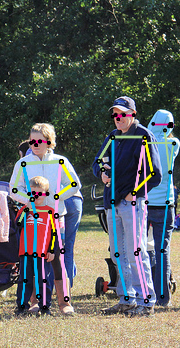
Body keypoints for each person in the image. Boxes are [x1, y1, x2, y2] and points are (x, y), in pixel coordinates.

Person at [93, 96, 162, 317]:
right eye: (115, 114)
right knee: (118, 254)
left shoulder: (143, 135)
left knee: (135, 253)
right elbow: (97, 162)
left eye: (123, 114)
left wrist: (135, 192)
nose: (118, 118)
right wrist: (102, 173)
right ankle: (127, 299)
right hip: (111, 202)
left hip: (132, 203)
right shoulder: (112, 136)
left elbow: (155, 174)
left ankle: (146, 302)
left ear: (132, 114)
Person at [9, 123, 80, 316]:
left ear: (49, 142)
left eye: (39, 141)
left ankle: (64, 303)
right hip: (32, 219)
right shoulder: (23, 163)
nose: (35, 145)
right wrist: (29, 200)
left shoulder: (60, 161)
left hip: (56, 218)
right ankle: (35, 301)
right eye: (32, 141)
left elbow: (74, 184)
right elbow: (13, 189)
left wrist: (57, 197)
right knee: (33, 261)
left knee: (57, 259)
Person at [146, 109, 178, 307]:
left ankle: (143, 291)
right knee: (162, 250)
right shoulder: (174, 144)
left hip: (145, 202)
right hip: (166, 204)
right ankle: (163, 298)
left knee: (140, 249)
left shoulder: (145, 143)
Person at [14, 177, 57, 316]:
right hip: (26, 252)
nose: (36, 196)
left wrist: (52, 250)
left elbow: (54, 233)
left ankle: (45, 307)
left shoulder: (50, 211)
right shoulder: (24, 210)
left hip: (42, 253)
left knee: (43, 280)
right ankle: (22, 307)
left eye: (40, 193)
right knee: (24, 280)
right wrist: (26, 210)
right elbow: (18, 225)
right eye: (33, 193)